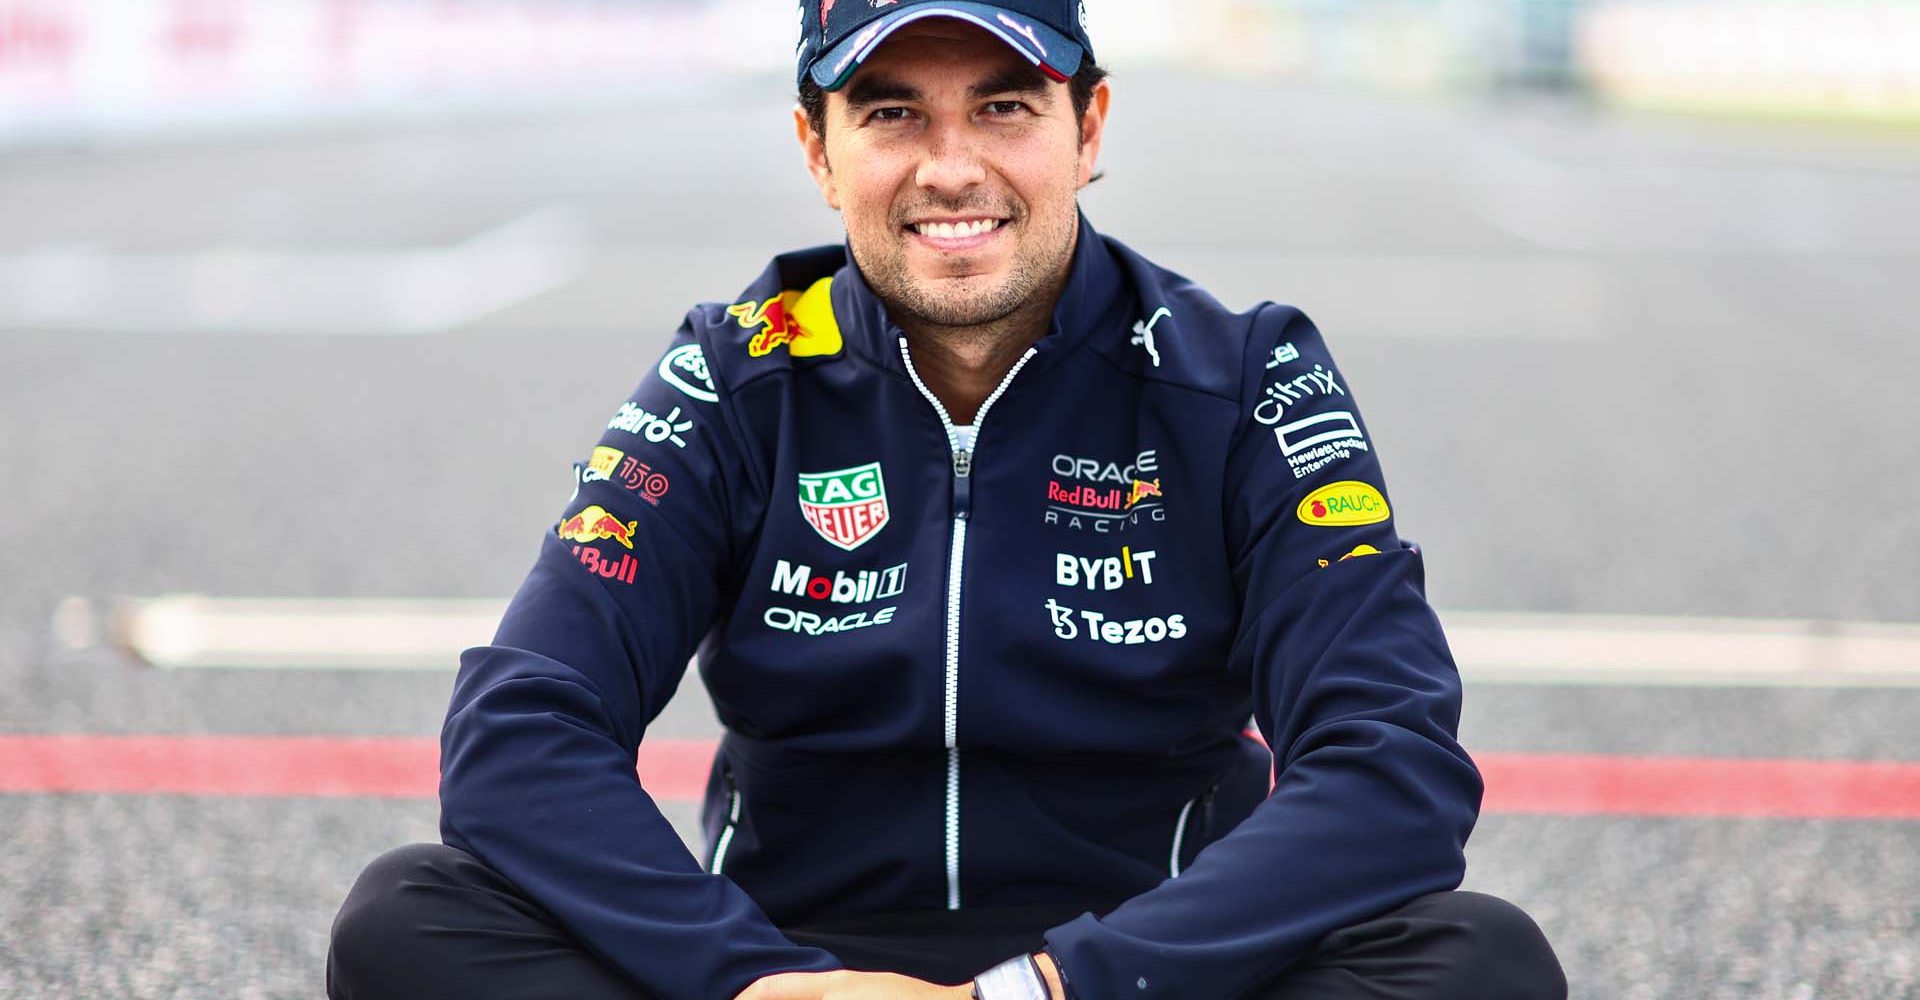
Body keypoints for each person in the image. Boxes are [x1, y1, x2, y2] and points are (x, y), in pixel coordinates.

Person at [327, 2, 1567, 998]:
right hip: (798, 958)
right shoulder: (737, 370)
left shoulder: (1239, 374)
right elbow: (517, 732)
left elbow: (1391, 767)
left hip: (1141, 967)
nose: (951, 166)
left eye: (1005, 106)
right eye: (892, 112)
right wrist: (758, 982)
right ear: (819, 149)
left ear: (1089, 127)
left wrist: (1044, 989)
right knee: (407, 921)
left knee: (1482, 965)